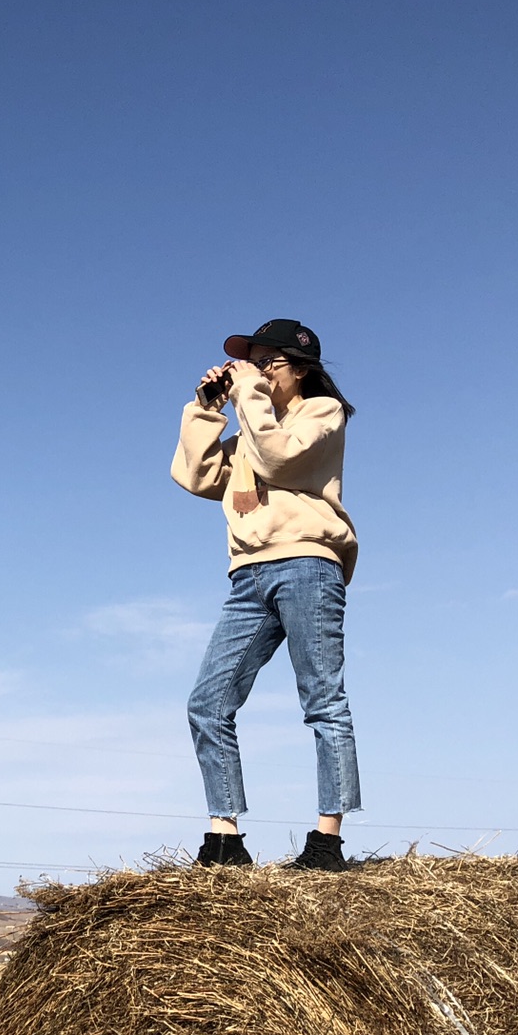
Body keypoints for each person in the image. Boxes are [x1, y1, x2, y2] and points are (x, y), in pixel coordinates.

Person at [171, 318, 360, 872]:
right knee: (208, 703)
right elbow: (197, 477)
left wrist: (247, 391)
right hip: (247, 577)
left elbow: (279, 458)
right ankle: (225, 838)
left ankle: (326, 841)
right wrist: (206, 409)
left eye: (265, 363)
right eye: (247, 364)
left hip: (307, 563)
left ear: (300, 369)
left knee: (323, 702)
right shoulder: (251, 428)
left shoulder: (320, 416)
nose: (253, 373)